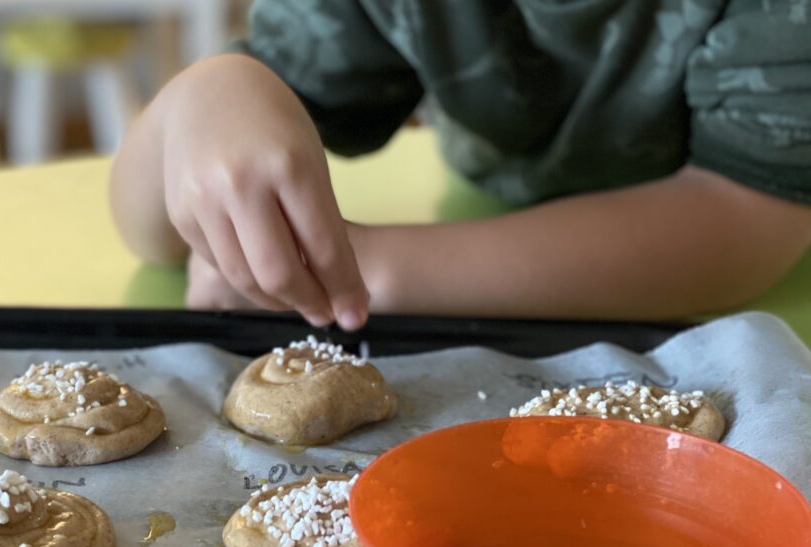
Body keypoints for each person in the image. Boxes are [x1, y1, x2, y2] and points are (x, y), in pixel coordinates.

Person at [110, 0, 811, 331]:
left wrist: (374, 269)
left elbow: (746, 215)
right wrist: (197, 100)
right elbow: (153, 234)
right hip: (491, 215)